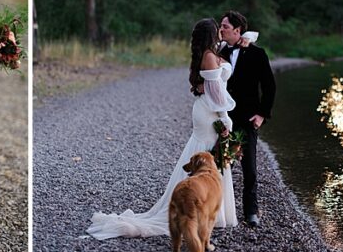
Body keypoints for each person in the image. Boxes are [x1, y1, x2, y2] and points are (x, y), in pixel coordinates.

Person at [86, 18, 238, 240]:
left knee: (206, 152)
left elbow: (210, 82)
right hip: (211, 112)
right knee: (208, 153)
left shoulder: (207, 53)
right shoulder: (208, 56)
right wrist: (226, 119)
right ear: (212, 35)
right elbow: (215, 92)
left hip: (205, 108)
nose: (220, 33)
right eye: (218, 30)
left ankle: (210, 208)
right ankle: (197, 207)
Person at [218, 10, 275, 227]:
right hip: (222, 116)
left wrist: (262, 114)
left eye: (225, 26)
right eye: (221, 26)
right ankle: (220, 209)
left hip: (247, 118)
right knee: (222, 163)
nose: (221, 29)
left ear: (237, 30)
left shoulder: (257, 54)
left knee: (249, 167)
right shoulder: (219, 51)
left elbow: (269, 86)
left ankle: (251, 211)